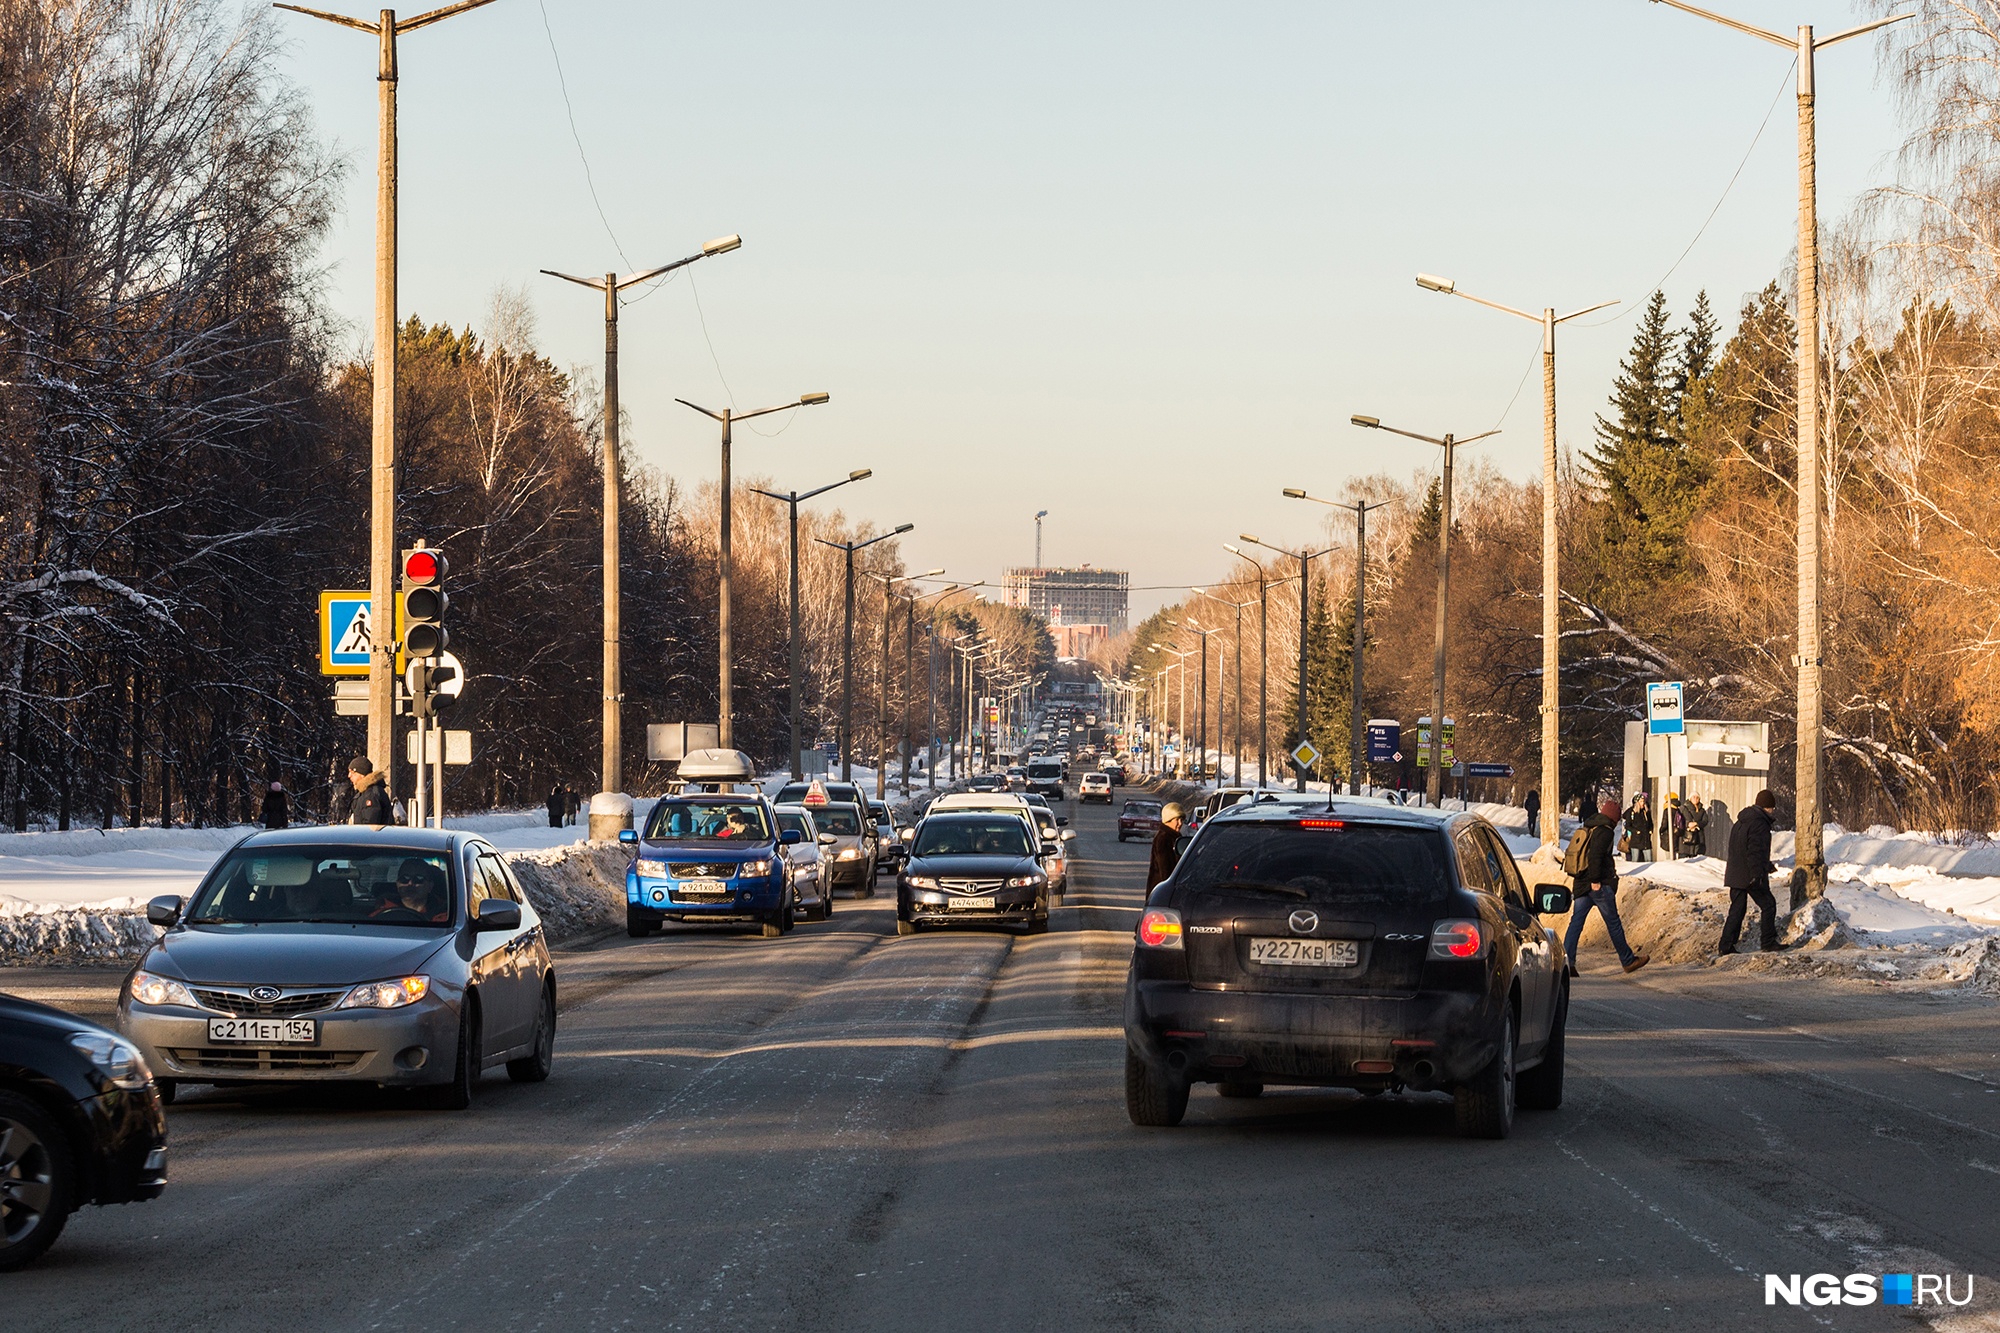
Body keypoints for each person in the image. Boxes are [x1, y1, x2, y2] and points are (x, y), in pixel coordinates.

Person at [1563, 798, 1650, 976]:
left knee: (1576, 923)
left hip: (1581, 883)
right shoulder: (1604, 831)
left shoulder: (1590, 826)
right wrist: (1596, 880)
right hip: (1597, 885)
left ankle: (1567, 962)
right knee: (1613, 924)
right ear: (1613, 818)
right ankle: (1628, 961)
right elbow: (1595, 856)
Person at [1720, 788, 1783, 955]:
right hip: (1750, 875)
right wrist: (1757, 874)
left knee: (1737, 910)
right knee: (1768, 905)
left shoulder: (1740, 821)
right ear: (1768, 807)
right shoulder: (1760, 823)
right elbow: (1755, 850)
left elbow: (1743, 848)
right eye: (1772, 807)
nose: (1773, 811)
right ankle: (1768, 942)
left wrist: (1766, 865)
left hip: (1735, 872)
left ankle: (1725, 946)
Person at [1146, 802, 1185, 891]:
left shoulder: (1174, 836)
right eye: (1177, 820)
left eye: (1182, 820)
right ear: (1168, 820)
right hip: (1162, 892)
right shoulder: (1164, 838)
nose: (1180, 823)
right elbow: (1165, 868)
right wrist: (1169, 890)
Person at [347, 757, 393, 825]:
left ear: (362, 775)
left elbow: (370, 828)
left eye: (352, 773)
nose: (349, 776)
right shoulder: (363, 793)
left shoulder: (371, 795)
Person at [1624, 792, 1653, 862]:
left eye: (1643, 801)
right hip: (1636, 840)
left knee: (1649, 859)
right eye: (1641, 801)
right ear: (1637, 803)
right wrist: (1636, 831)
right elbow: (1627, 825)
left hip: (1646, 839)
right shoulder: (1632, 813)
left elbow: (1650, 823)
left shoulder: (1646, 812)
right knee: (1635, 859)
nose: (1642, 803)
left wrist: (1650, 830)